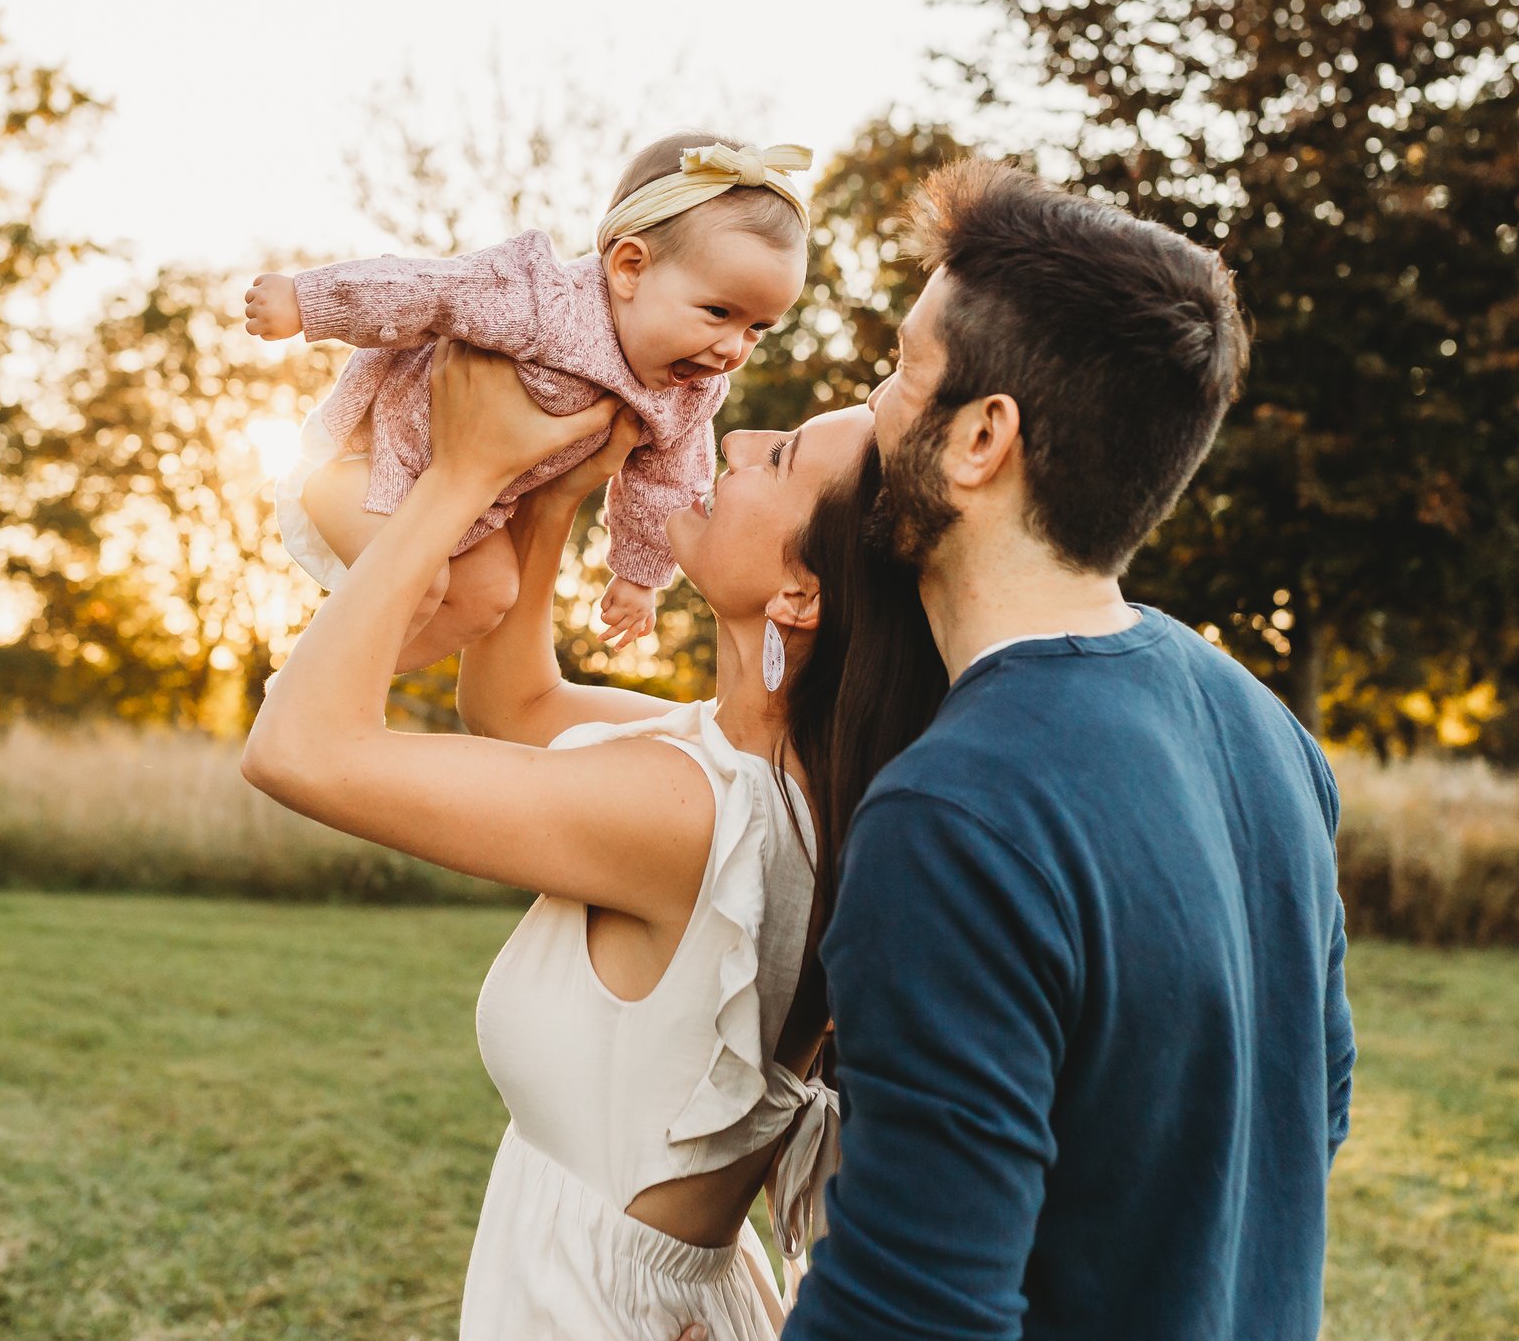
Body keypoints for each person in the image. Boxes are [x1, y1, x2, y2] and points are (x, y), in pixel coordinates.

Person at [759, 160, 1356, 1341]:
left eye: (902, 368)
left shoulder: (955, 811)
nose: (876, 403)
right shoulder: (1264, 727)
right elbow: (1306, 1109)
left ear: (983, 435)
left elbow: (912, 1314)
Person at [240, 341, 944, 1340]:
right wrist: (552, 491)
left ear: (801, 594)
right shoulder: (756, 774)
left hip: (587, 1307)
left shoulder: (684, 806)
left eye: (779, 458)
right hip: (644, 1293)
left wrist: (463, 478)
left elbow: (298, 748)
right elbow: (512, 699)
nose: (736, 437)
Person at [241, 133, 810, 670]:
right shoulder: (543, 302)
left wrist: (639, 574)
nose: (733, 348)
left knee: (490, 596)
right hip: (365, 467)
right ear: (630, 268)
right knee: (422, 583)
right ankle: (317, 696)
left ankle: (328, 687)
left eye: (758, 327)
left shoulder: (689, 392)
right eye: (718, 312)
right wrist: (308, 301)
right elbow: (431, 291)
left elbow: (667, 483)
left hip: (471, 511)